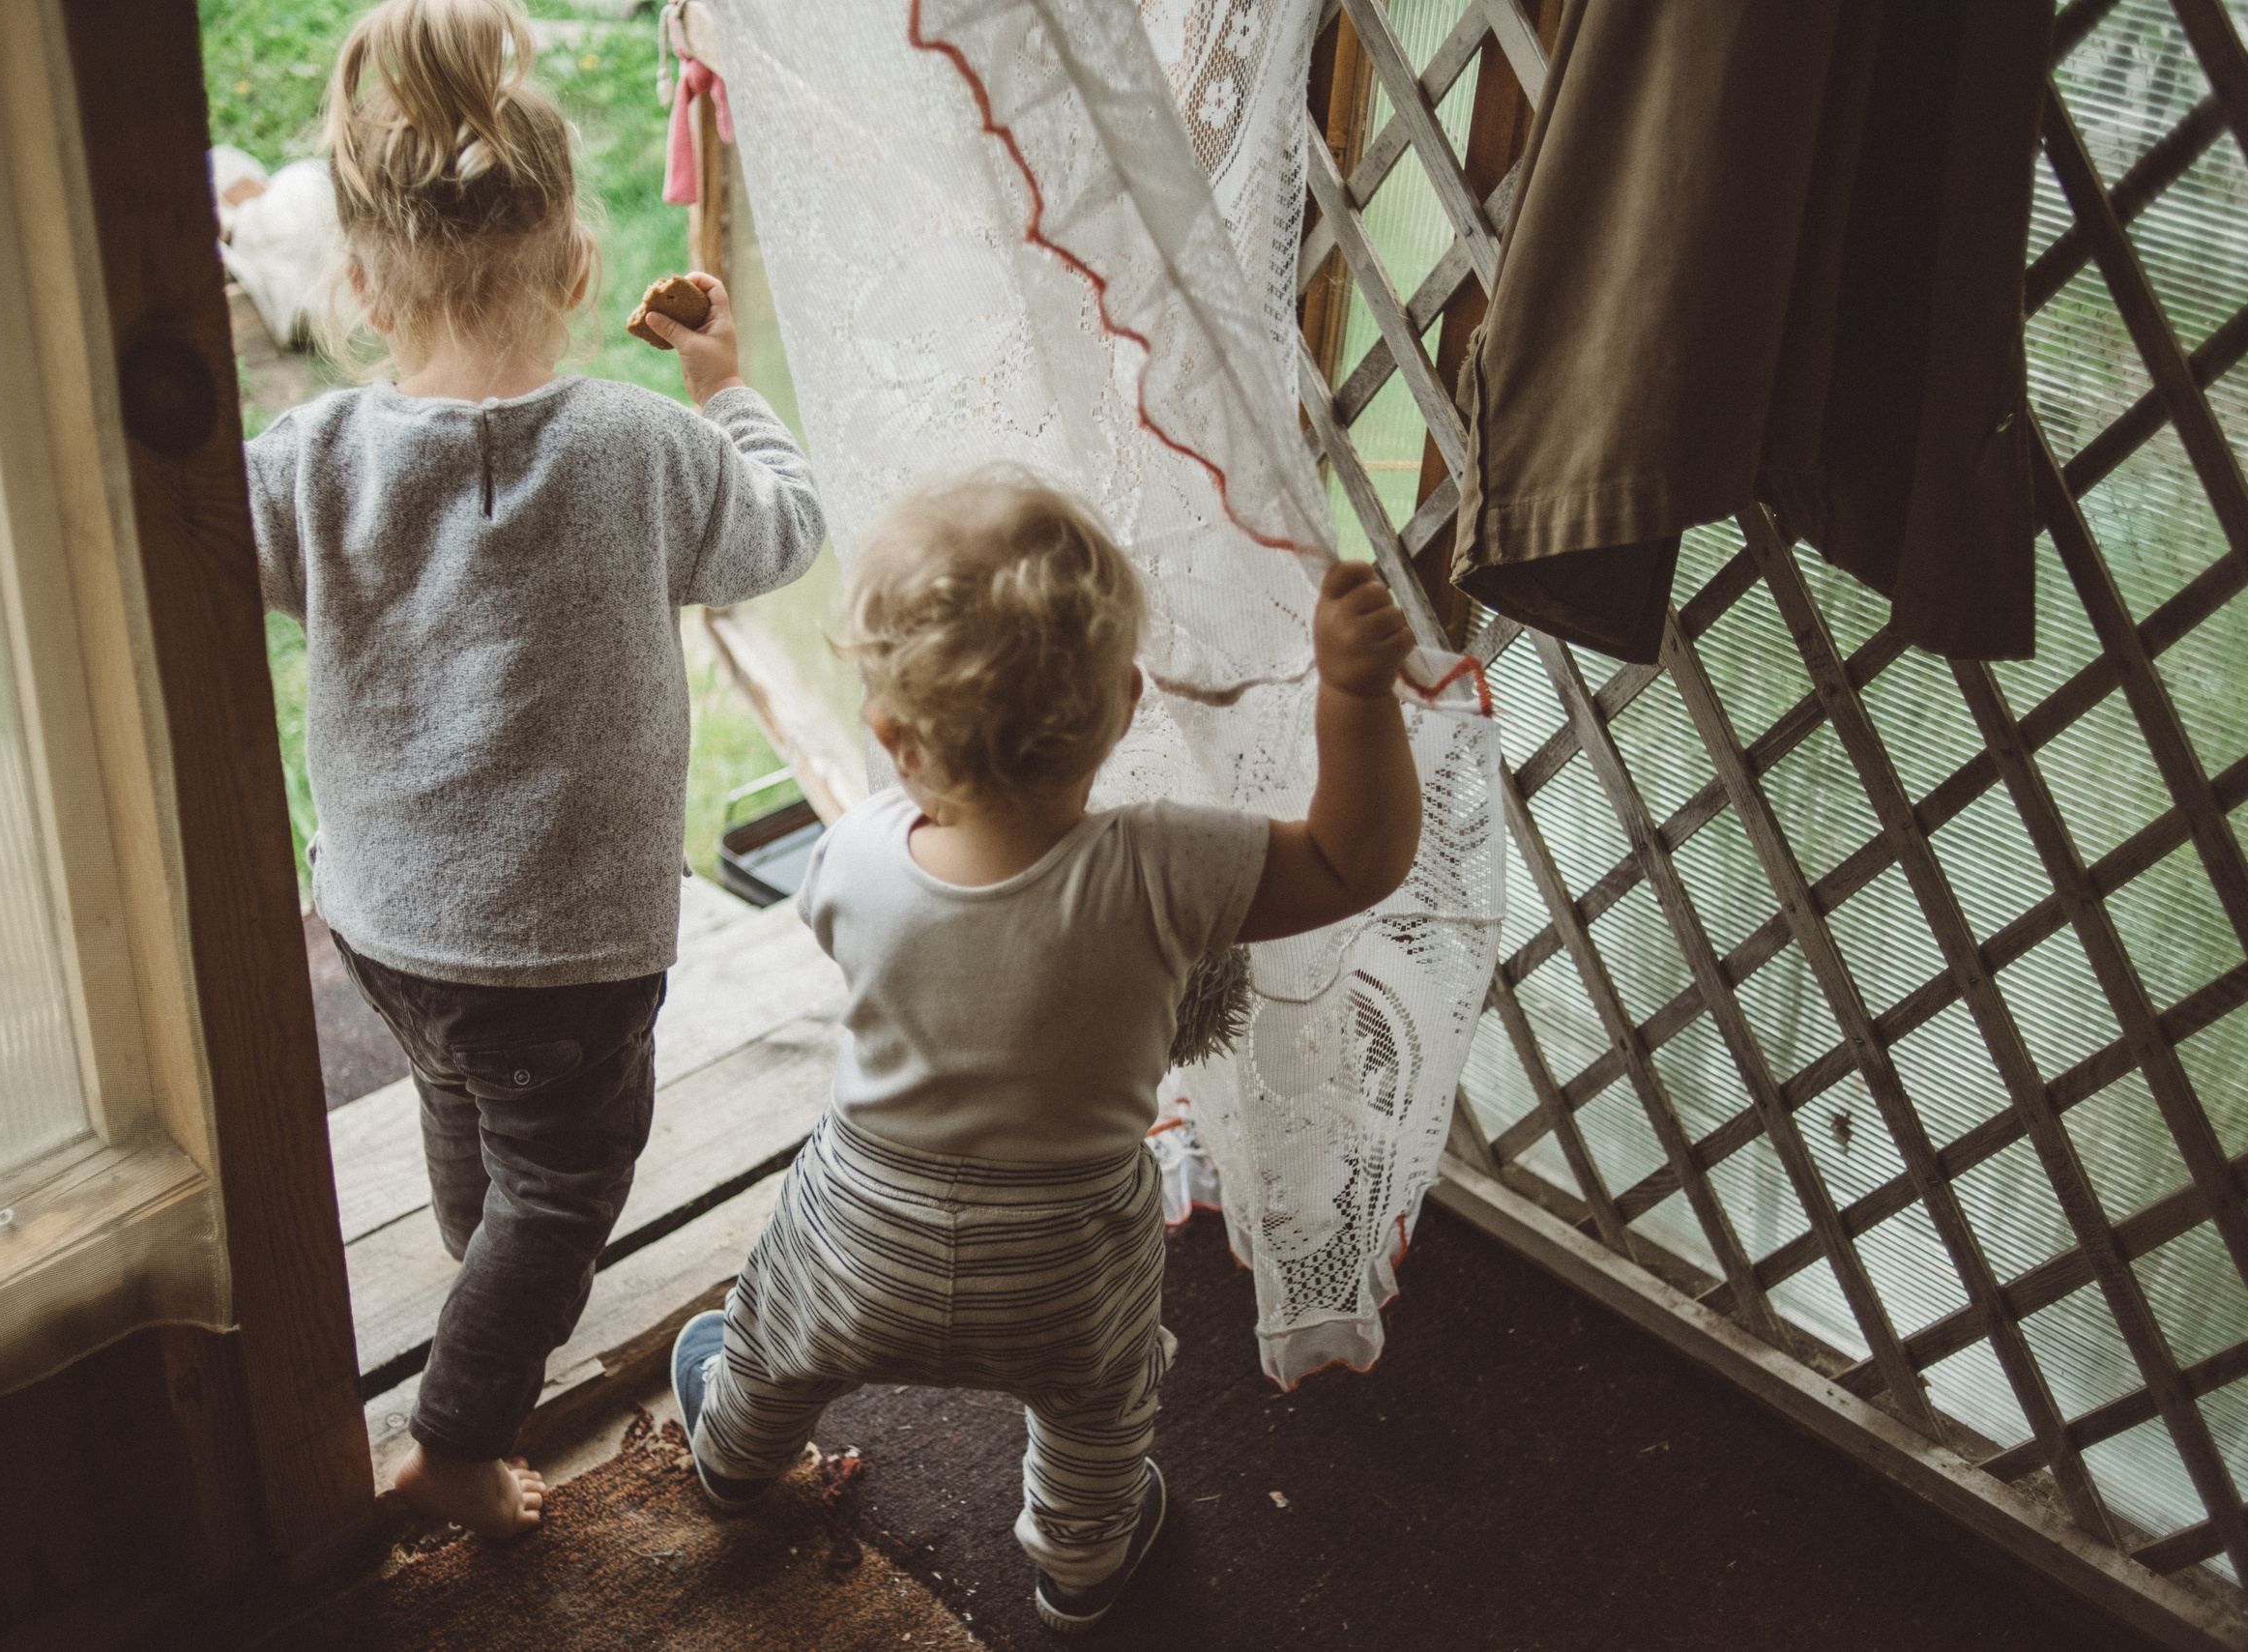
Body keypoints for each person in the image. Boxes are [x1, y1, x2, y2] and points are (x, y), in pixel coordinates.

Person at [245, 0, 824, 1537]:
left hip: (382, 924)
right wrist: (724, 379)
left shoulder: (309, 464)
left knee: (465, 1109)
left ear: (360, 284)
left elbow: (191, 545)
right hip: (568, 955)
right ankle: (457, 1429)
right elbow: (787, 524)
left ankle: (479, 1277)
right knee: (566, 1191)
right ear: (578, 265)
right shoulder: (644, 450)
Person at [671, 471, 1419, 1632]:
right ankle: (1080, 1564)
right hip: (1064, 1261)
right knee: (1096, 1409)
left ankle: (730, 1458)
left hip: (864, 1233)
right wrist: (1353, 691)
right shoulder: (1169, 868)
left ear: (888, 732)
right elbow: (1353, 858)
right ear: (1124, 705)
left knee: (772, 1336)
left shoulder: (855, 855)